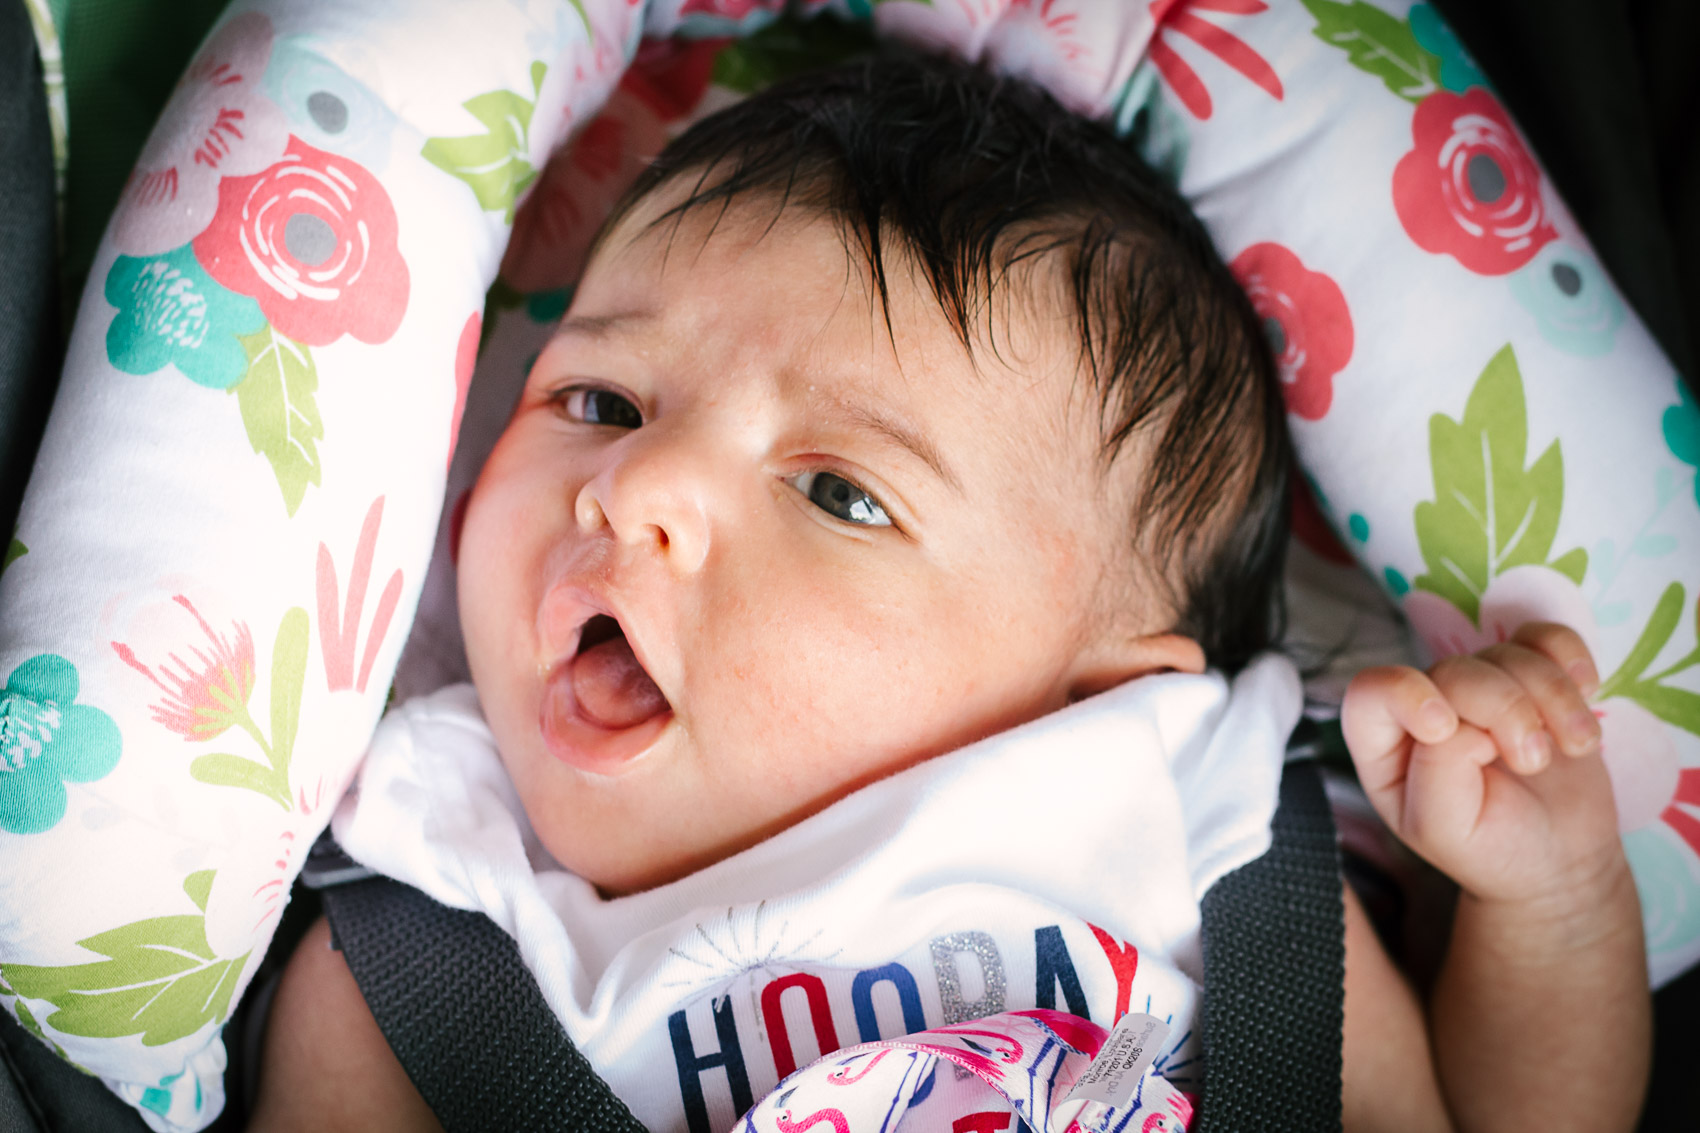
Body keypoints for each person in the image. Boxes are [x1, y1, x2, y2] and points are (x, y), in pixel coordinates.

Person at [247, 53, 1649, 1133]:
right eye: (600, 397)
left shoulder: (1189, 826)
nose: (639, 486)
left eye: (841, 492)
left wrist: (1559, 895)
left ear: (1095, 692)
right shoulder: (423, 936)